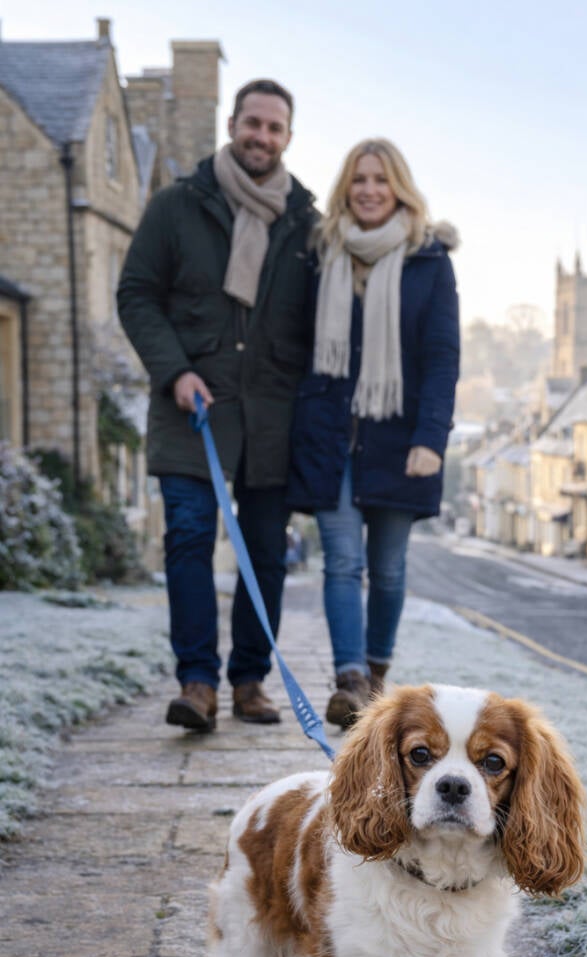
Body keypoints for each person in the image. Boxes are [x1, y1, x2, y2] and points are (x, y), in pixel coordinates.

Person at [118, 80, 316, 732]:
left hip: (270, 417)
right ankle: (197, 682)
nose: (261, 136)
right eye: (252, 123)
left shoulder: (305, 225)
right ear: (232, 124)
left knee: (265, 552)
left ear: (288, 137)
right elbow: (137, 293)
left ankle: (250, 681)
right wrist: (174, 370)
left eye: (275, 128)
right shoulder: (178, 206)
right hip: (191, 409)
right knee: (189, 540)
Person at [287, 138, 459, 729]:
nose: (368, 190)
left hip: (399, 439)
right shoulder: (321, 253)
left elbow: (441, 357)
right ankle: (350, 678)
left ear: (399, 189)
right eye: (359, 179)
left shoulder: (428, 260)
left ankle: (377, 677)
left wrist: (431, 439)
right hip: (331, 437)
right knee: (340, 562)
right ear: (345, 187)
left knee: (387, 569)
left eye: (380, 180)